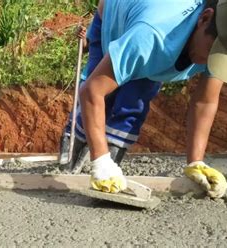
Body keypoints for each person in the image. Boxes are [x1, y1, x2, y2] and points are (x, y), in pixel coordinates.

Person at [76, 0, 227, 198]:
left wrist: (196, 162)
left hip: (155, 35)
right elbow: (91, 91)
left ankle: (109, 158)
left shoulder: (224, 39)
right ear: (204, 19)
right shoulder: (152, 37)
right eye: (214, 54)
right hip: (115, 14)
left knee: (135, 100)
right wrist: (101, 160)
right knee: (102, 94)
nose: (213, 64)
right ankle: (73, 156)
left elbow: (205, 101)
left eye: (223, 58)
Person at [58, 10, 161, 173]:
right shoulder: (111, 12)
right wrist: (84, 39)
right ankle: (70, 161)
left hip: (143, 51)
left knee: (130, 102)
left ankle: (107, 165)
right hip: (104, 57)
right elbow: (90, 44)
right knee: (92, 101)